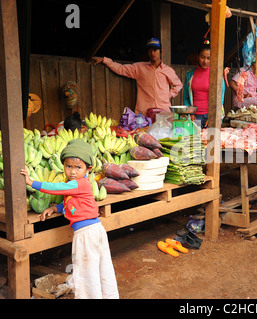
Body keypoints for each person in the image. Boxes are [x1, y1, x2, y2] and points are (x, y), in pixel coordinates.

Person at [21, 139, 119, 299]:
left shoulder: (80, 184)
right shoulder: (74, 184)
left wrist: (32, 182)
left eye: (78, 167)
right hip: (94, 231)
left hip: (86, 235)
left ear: (89, 168)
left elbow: (57, 188)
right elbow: (70, 203)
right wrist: (54, 208)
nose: (73, 171)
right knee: (102, 268)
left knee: (87, 272)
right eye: (68, 166)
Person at [92, 37, 183, 115]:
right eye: (150, 50)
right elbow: (121, 69)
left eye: (155, 50)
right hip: (144, 114)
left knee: (164, 135)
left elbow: (178, 85)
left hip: (164, 113)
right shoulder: (139, 68)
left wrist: (168, 95)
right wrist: (105, 60)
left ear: (161, 51)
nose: (152, 53)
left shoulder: (168, 70)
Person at [182, 42, 225, 128]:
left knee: (211, 140)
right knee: (195, 140)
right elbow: (186, 97)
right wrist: (190, 113)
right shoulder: (190, 75)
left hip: (211, 115)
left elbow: (220, 98)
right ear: (197, 57)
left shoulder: (217, 76)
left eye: (209, 58)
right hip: (195, 117)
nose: (205, 61)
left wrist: (213, 116)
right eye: (202, 57)